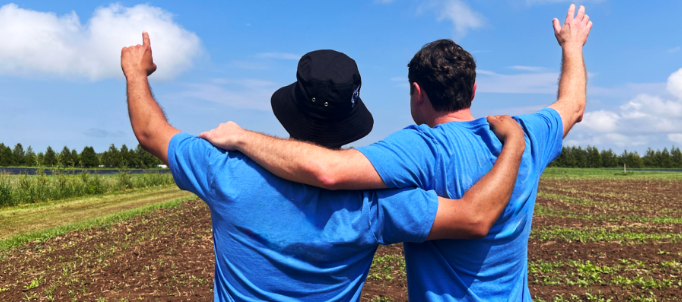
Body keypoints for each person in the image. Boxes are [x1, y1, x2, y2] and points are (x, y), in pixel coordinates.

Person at [199, 4, 592, 301]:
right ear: (473, 90)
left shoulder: (419, 148)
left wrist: (243, 138)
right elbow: (572, 105)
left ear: (417, 94)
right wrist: (571, 45)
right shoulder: (522, 134)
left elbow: (328, 170)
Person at [121, 36, 526, 301]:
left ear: (289, 106)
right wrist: (513, 144)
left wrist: (136, 72)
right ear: (351, 118)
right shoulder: (376, 203)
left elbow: (150, 131)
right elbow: (474, 216)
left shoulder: (223, 169)